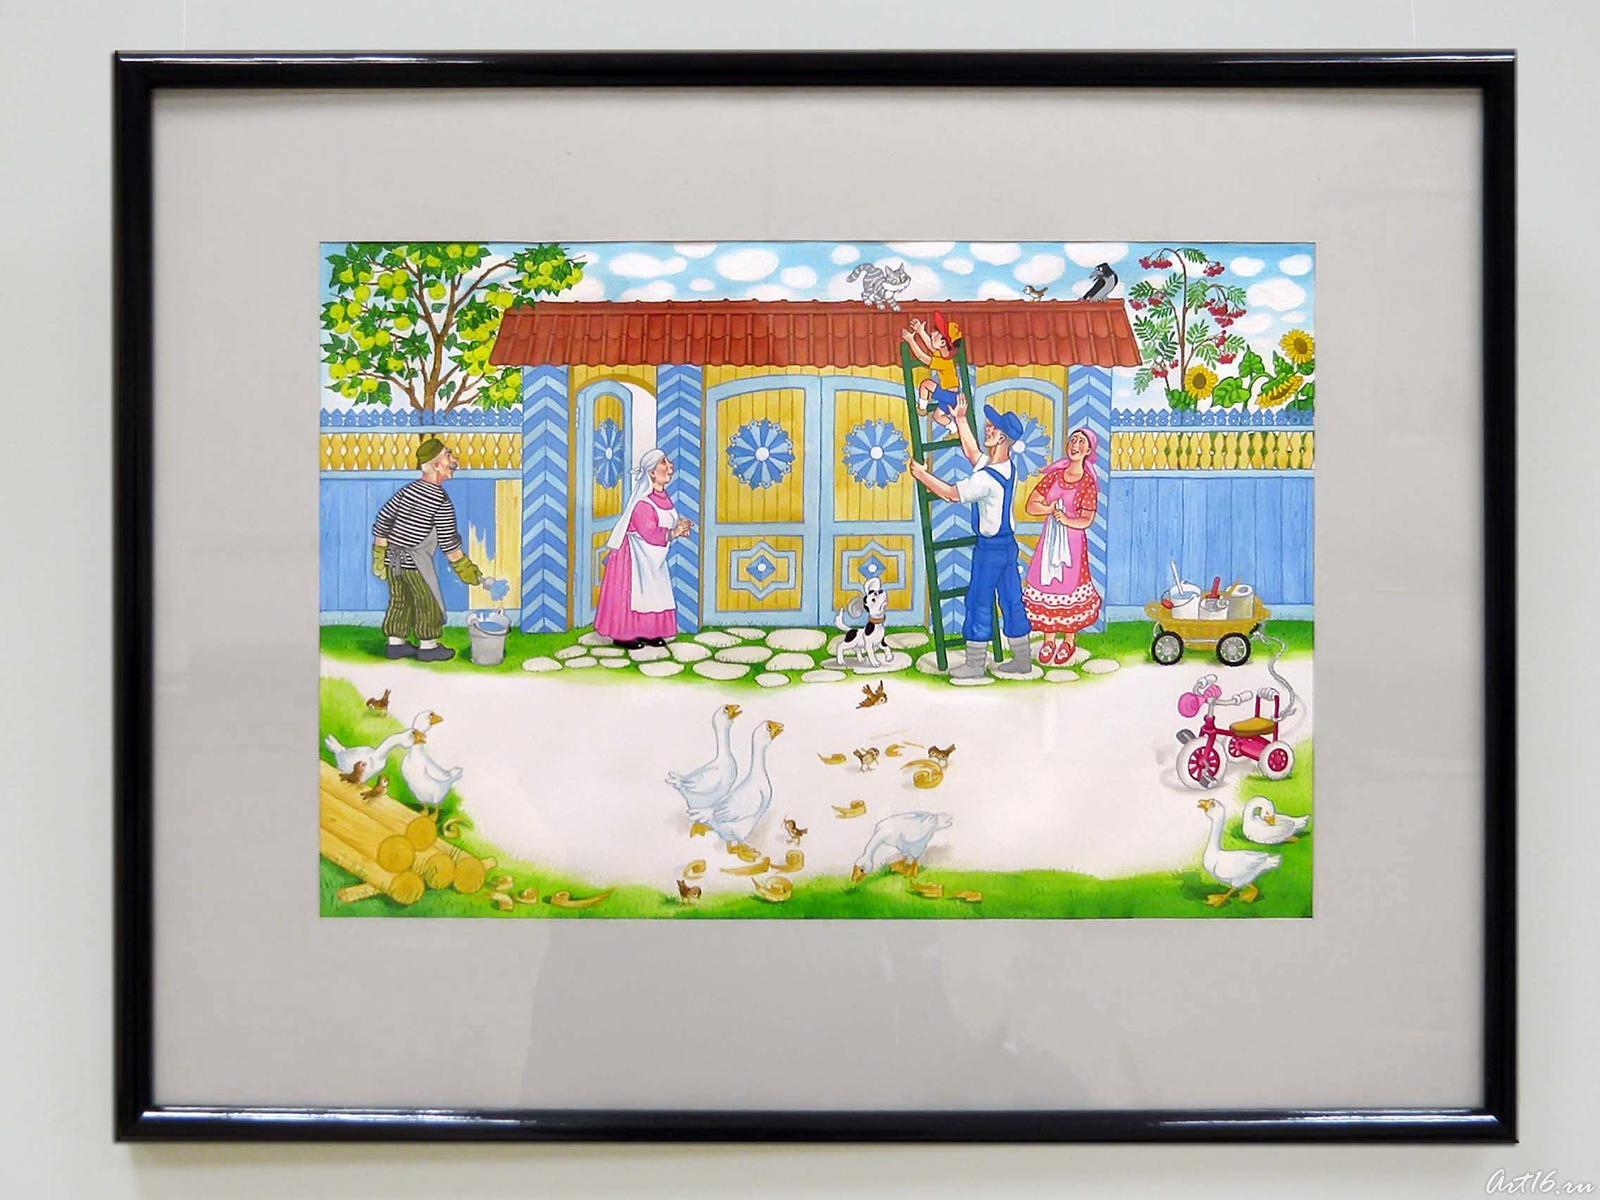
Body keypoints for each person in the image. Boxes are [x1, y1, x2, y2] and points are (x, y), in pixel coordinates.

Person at [907, 397, 1034, 679]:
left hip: (990, 549)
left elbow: (952, 494)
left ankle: (975, 664)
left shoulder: (986, 478)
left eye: (993, 428)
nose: (988, 429)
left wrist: (922, 475)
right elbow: (973, 453)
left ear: (1003, 438)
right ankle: (1022, 658)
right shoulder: (1005, 468)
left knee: (978, 599)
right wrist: (961, 419)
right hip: (1008, 545)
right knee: (1011, 598)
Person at [370, 437, 484, 662]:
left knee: (400, 600)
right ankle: (428, 647)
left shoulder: (407, 491)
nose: (455, 460)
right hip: (416, 562)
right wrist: (466, 570)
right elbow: (448, 542)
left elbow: (383, 520)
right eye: (449, 456)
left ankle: (396, 645)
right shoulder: (440, 500)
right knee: (428, 602)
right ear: (435, 465)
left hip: (393, 560)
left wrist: (380, 555)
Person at [594, 447, 693, 650]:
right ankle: (624, 634)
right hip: (634, 558)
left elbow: (666, 522)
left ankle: (649, 632)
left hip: (654, 558)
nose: (670, 466)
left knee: (654, 593)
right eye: (664, 463)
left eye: (668, 462)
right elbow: (650, 532)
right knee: (635, 594)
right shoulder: (642, 503)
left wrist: (681, 527)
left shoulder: (663, 497)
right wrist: (673, 533)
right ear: (652, 473)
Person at [1022, 427, 1104, 665]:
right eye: (1073, 440)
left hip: (1073, 544)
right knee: (1048, 584)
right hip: (1050, 542)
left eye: (1081, 442)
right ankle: (1049, 639)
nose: (1075, 445)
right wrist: (1049, 508)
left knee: (1069, 586)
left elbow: (1087, 519)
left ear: (1088, 450)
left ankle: (1069, 639)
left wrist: (1067, 520)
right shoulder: (1054, 476)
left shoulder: (1087, 483)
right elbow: (1031, 505)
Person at [901, 312, 965, 419]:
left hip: (949, 395)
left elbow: (921, 357)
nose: (932, 333)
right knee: (937, 416)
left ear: (943, 343)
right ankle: (952, 427)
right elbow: (931, 347)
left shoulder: (945, 363)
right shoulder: (944, 356)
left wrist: (911, 340)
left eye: (936, 333)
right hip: (951, 397)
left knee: (926, 384)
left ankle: (922, 409)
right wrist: (921, 331)